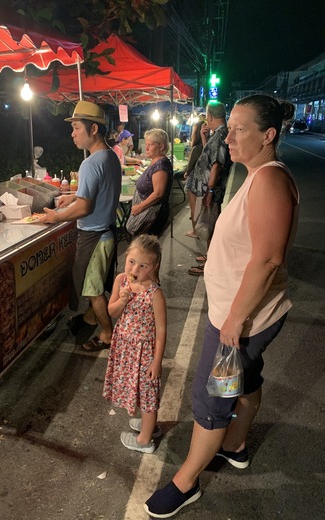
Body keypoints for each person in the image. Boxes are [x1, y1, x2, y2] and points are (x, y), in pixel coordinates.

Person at [144, 94, 299, 518]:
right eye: (227, 127)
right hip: (241, 315)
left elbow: (269, 258)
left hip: (241, 320)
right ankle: (235, 445)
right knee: (245, 383)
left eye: (239, 129)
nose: (226, 136)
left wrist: (234, 319)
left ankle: (185, 483)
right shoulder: (257, 174)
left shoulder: (269, 179)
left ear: (268, 135)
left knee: (212, 399)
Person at [39, 100, 122, 352]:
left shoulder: (90, 163)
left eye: (76, 127)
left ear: (93, 129)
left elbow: (85, 209)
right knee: (94, 283)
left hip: (94, 236)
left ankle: (108, 334)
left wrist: (56, 216)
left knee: (93, 289)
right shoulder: (110, 156)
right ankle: (88, 318)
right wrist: (73, 196)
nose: (72, 133)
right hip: (107, 233)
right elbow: (98, 190)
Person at [103, 234, 167, 453]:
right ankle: (148, 425)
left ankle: (144, 440)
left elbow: (161, 330)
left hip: (145, 352)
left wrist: (157, 361)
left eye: (143, 265)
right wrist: (122, 299)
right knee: (137, 389)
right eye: (131, 262)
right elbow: (111, 312)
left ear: (154, 266)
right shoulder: (121, 280)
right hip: (125, 348)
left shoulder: (154, 294)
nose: (135, 269)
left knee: (148, 393)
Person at [187, 102, 232, 275]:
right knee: (207, 223)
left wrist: (210, 191)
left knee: (209, 224)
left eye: (207, 115)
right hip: (207, 188)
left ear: (210, 116)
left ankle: (210, 264)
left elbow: (216, 165)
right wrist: (204, 138)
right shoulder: (218, 135)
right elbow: (210, 157)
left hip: (209, 189)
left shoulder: (221, 135)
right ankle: (210, 256)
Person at [126, 128, 173, 237]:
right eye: (146, 144)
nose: (146, 148)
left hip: (152, 213)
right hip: (147, 210)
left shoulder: (161, 165)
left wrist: (140, 207)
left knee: (146, 247)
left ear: (161, 146)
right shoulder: (156, 160)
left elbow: (158, 194)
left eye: (150, 145)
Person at [183, 120, 206, 238]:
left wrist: (186, 173)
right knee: (201, 206)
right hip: (204, 179)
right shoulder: (206, 146)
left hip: (193, 179)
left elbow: (190, 166)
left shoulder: (197, 148)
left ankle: (195, 231)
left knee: (194, 207)